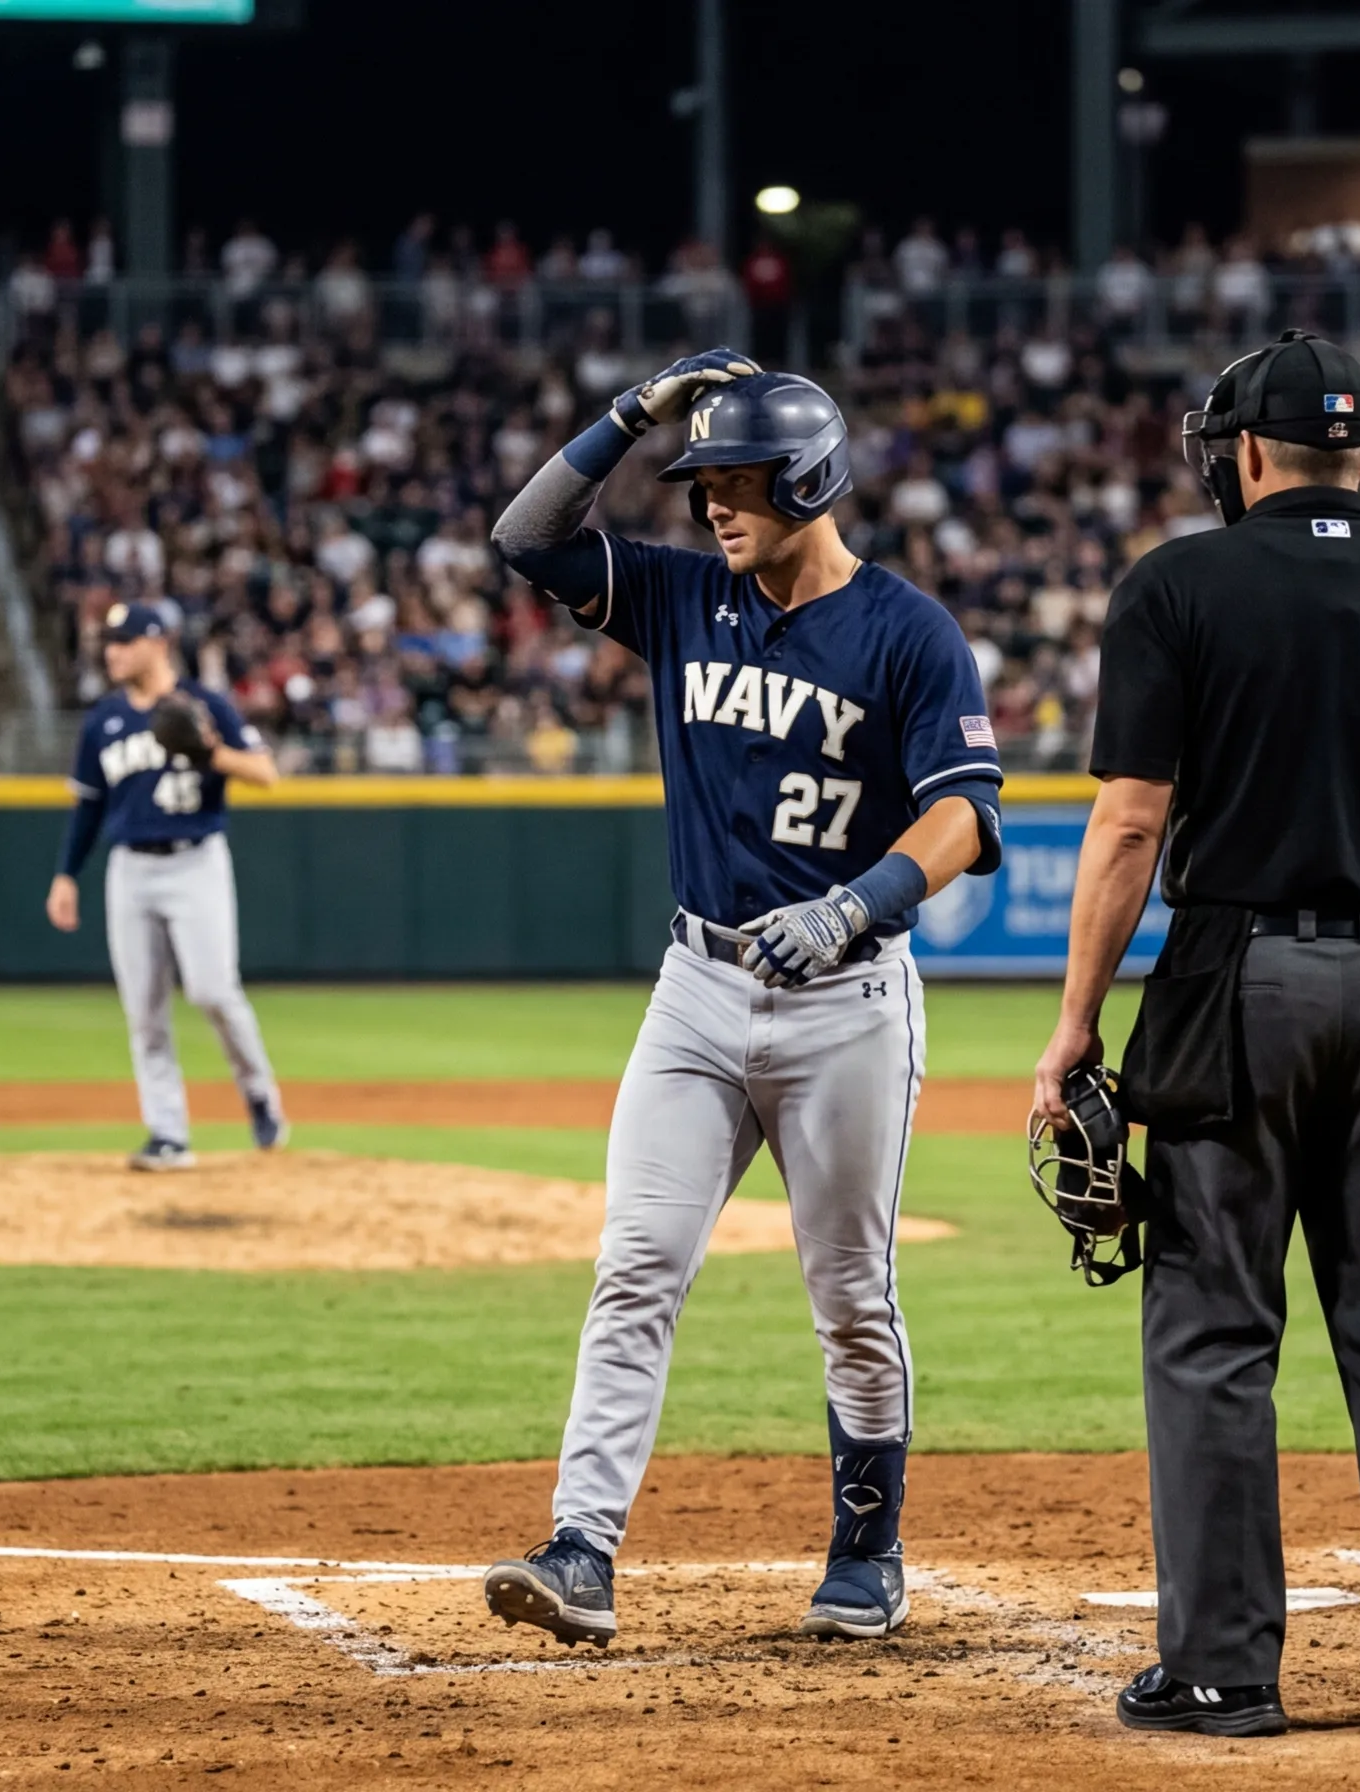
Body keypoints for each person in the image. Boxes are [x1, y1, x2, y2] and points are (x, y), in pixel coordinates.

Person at [1031, 330, 1360, 1737]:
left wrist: (1076, 1026)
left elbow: (1132, 821)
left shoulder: (1176, 585)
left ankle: (1222, 1672)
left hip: (1236, 982)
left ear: (1246, 454)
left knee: (1213, 1336)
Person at [482, 353, 1003, 1647]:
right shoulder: (677, 597)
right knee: (636, 1268)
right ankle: (582, 1550)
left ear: (810, 479)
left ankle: (867, 1550)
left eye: (734, 481)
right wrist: (623, 418)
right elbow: (526, 537)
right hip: (696, 993)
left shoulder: (907, 631)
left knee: (852, 1301)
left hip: (848, 1005)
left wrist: (855, 903)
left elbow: (966, 817)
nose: (711, 504)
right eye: (701, 481)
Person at [45, 601, 288, 1171]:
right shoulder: (102, 720)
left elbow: (266, 774)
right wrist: (65, 875)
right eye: (108, 641)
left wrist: (210, 751)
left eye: (124, 641)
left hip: (195, 861)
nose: (112, 652)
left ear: (159, 643)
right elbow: (87, 807)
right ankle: (168, 1133)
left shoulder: (205, 705)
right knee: (144, 1010)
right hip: (129, 869)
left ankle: (258, 1093)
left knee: (212, 991)